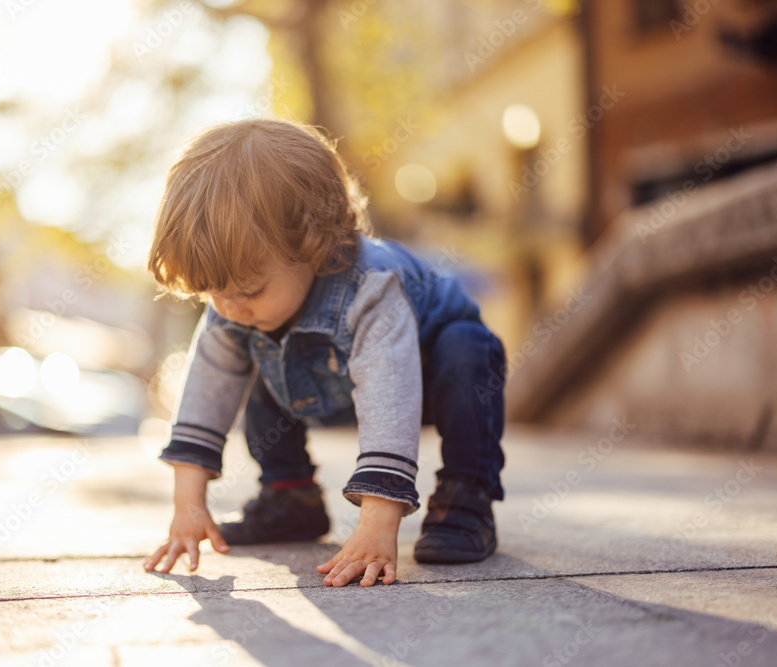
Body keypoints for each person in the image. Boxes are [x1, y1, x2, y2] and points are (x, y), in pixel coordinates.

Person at [142, 117, 506, 587]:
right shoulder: (238, 307)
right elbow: (205, 394)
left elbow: (388, 395)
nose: (229, 308)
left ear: (313, 245)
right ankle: (289, 495)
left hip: (426, 374)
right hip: (317, 380)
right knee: (251, 347)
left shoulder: (371, 289)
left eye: (250, 290)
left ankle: (466, 499)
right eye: (215, 293)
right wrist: (187, 506)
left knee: (468, 350)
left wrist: (377, 525)